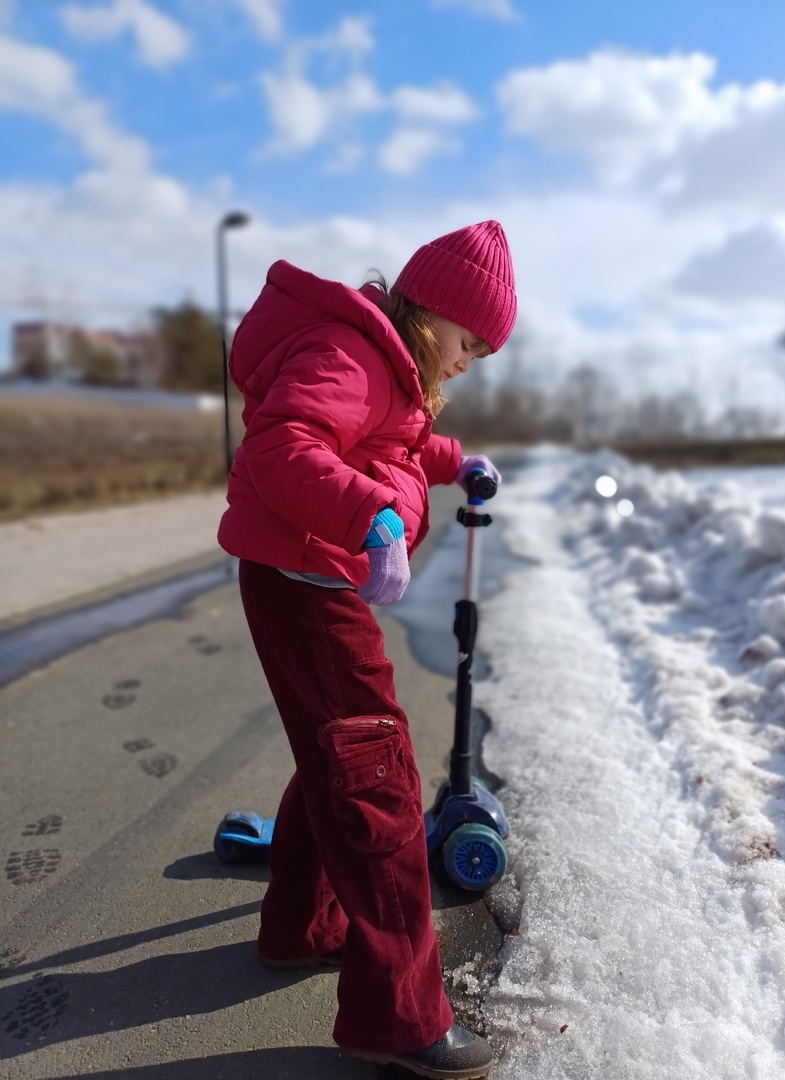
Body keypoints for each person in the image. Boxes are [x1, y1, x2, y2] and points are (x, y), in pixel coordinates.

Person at [218, 219, 517, 1079]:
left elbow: (399, 439)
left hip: (311, 581)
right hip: (303, 583)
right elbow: (283, 446)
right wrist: (370, 515)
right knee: (376, 777)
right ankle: (399, 1017)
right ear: (429, 314)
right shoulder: (351, 352)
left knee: (338, 751)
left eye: (484, 354)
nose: (469, 362)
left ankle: (302, 928)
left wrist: (457, 462)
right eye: (468, 341)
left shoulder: (387, 366)